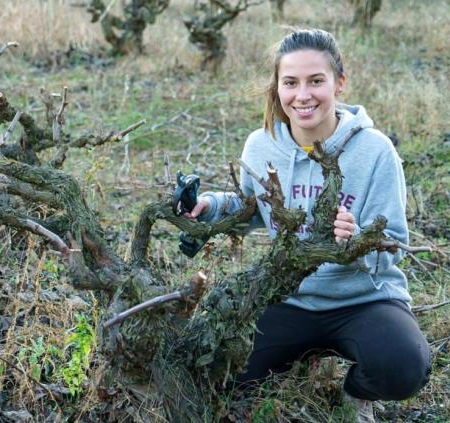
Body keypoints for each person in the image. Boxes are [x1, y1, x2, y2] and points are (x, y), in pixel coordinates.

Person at [185, 28, 431, 423]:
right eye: (291, 83)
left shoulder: (375, 151)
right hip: (289, 298)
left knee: (403, 367)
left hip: (364, 300)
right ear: (278, 87)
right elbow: (251, 209)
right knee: (216, 371)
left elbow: (395, 243)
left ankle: (355, 392)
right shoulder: (261, 144)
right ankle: (303, 358)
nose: (303, 95)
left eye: (316, 81)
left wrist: (359, 241)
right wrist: (208, 205)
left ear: (339, 83)